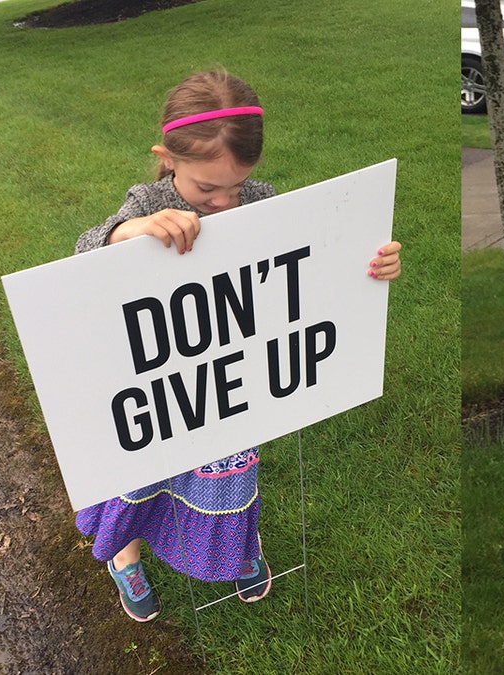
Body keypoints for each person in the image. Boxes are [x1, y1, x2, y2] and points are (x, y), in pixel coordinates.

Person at [73, 70, 402, 622]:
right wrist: (127, 234)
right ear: (167, 158)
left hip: (227, 381)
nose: (225, 202)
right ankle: (124, 557)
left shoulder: (261, 202)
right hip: (155, 383)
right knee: (135, 478)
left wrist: (369, 266)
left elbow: (307, 269)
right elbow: (85, 252)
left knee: (228, 472)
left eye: (236, 186)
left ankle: (236, 551)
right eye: (208, 190)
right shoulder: (147, 202)